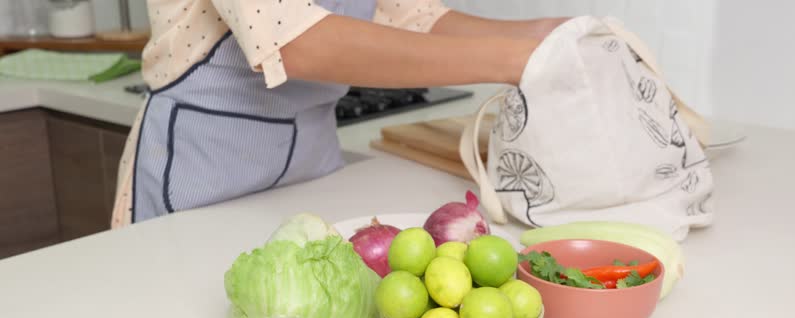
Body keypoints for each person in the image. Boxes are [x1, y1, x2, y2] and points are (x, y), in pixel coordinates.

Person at [111, 0, 567, 227]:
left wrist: (546, 37)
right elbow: (294, 40)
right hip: (200, 173)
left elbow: (403, 13)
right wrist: (511, 60)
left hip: (315, 168)